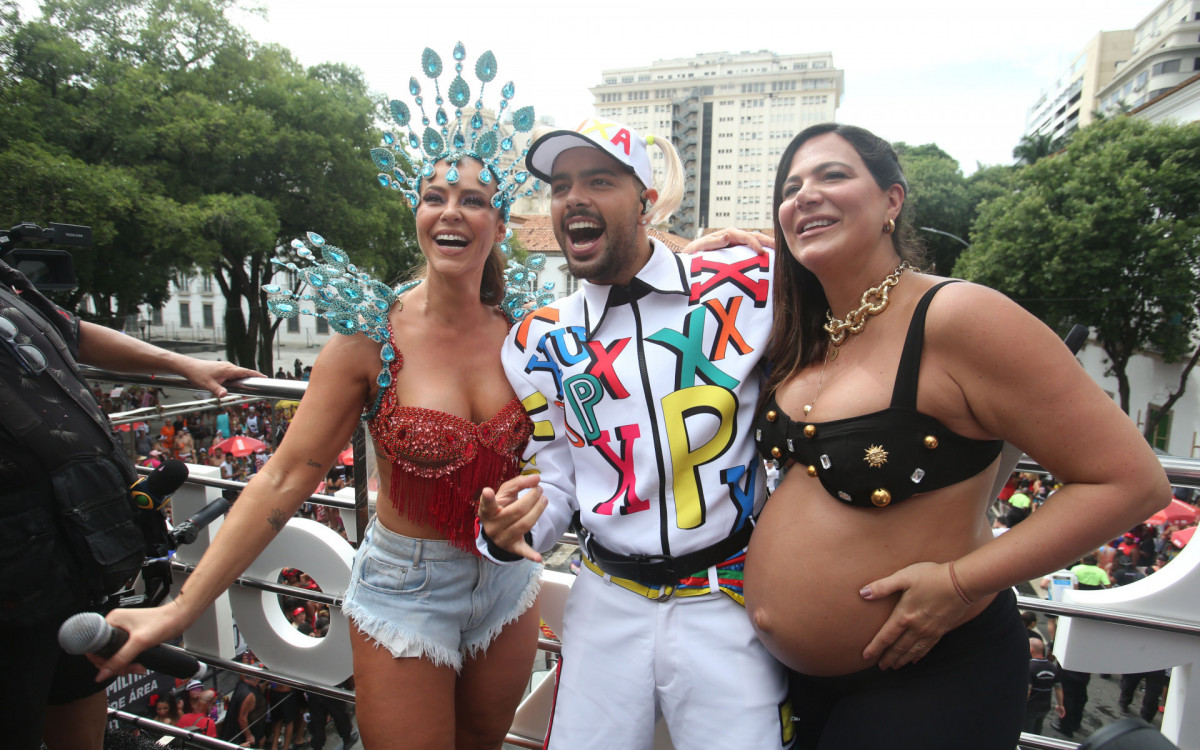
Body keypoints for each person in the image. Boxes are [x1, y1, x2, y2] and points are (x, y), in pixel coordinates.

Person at [92, 43, 548, 750]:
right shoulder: (369, 338)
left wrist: (708, 257)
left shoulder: (529, 330)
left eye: (474, 201)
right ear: (416, 211)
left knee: (485, 742)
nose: (450, 213)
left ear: (499, 220)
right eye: (434, 197)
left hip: (508, 580)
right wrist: (180, 607)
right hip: (404, 592)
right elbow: (283, 476)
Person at [738, 123, 1170, 749]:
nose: (805, 195)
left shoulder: (960, 316)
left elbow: (1130, 482)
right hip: (789, 686)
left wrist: (962, 582)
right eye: (790, 188)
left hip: (929, 679)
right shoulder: (810, 331)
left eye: (833, 175)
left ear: (892, 200)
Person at [477, 119, 791, 750]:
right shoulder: (535, 342)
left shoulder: (748, 284)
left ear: (646, 201)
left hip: (729, 599)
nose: (573, 198)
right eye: (560, 186)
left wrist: (781, 254)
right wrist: (511, 534)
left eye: (599, 181)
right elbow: (556, 481)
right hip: (606, 605)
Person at [0, 257, 260, 750]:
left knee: (80, 686)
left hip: (76, 545)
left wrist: (182, 364)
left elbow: (70, 331)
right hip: (14, 567)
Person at [1025, 637, 1063, 735]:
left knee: (1027, 731)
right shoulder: (1052, 667)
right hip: (1045, 707)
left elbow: (1028, 690)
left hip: (1031, 707)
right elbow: (1058, 688)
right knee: (1038, 728)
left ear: (1031, 650)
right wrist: (1060, 705)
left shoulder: (1029, 667)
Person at [218, 673, 267, 747]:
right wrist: (249, 735)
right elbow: (242, 719)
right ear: (258, 678)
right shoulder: (249, 695)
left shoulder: (243, 683)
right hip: (242, 733)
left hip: (255, 726)